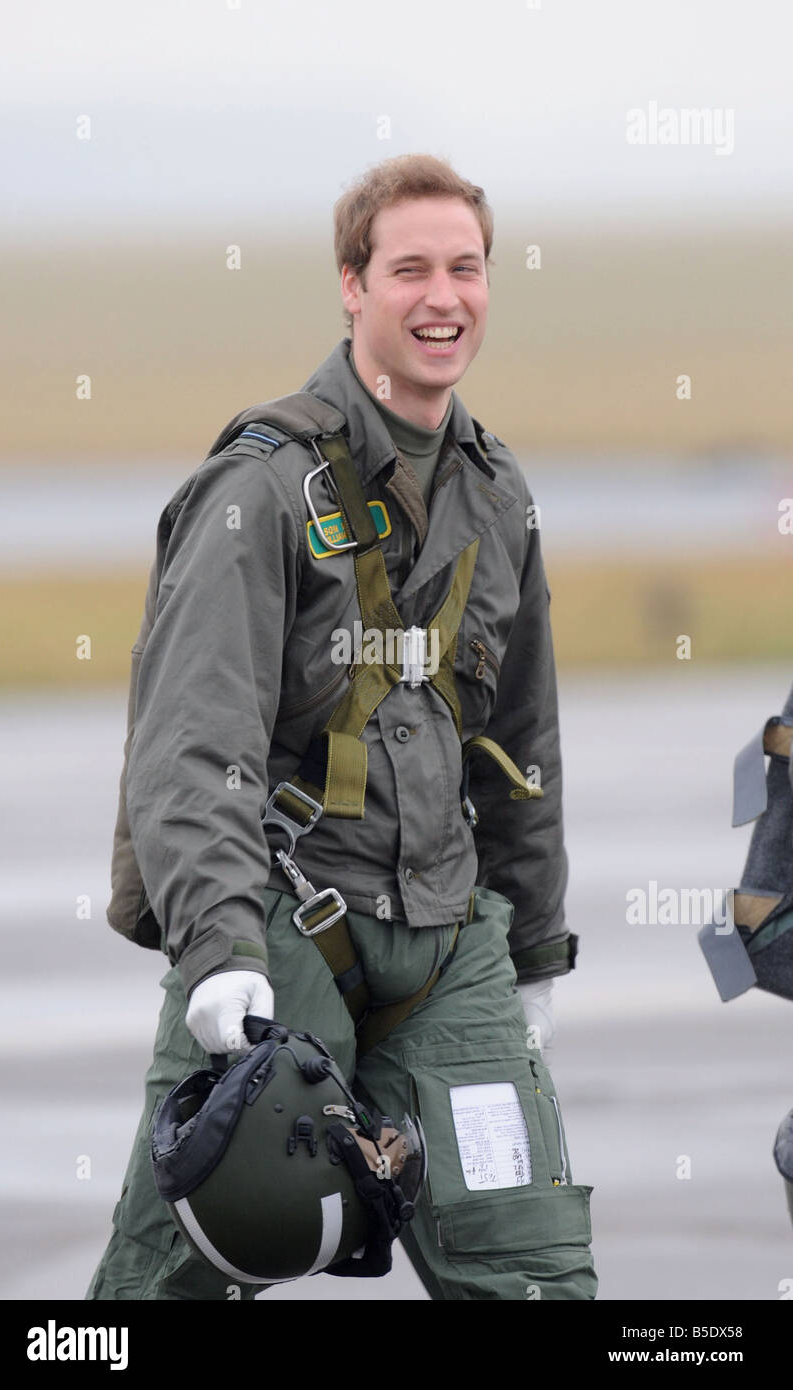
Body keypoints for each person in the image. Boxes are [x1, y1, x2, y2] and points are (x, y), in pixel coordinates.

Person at [86, 153, 597, 1301]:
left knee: (533, 1270)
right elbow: (192, 745)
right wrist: (220, 947)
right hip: (280, 931)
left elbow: (525, 750)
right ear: (353, 285)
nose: (442, 297)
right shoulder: (260, 490)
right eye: (410, 269)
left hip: (450, 943)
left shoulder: (496, 495)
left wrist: (533, 952)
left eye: (465, 268)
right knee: (179, 1275)